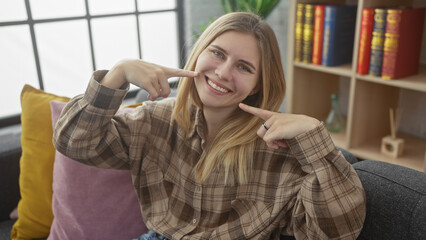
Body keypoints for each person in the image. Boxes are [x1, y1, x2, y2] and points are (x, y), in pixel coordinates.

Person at [53, 12, 366, 240]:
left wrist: (317, 138)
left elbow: (338, 233)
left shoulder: (281, 152)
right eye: (217, 54)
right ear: (198, 54)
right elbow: (74, 142)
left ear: (259, 85)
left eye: (244, 67)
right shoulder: (154, 120)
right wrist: (117, 74)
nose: (223, 73)